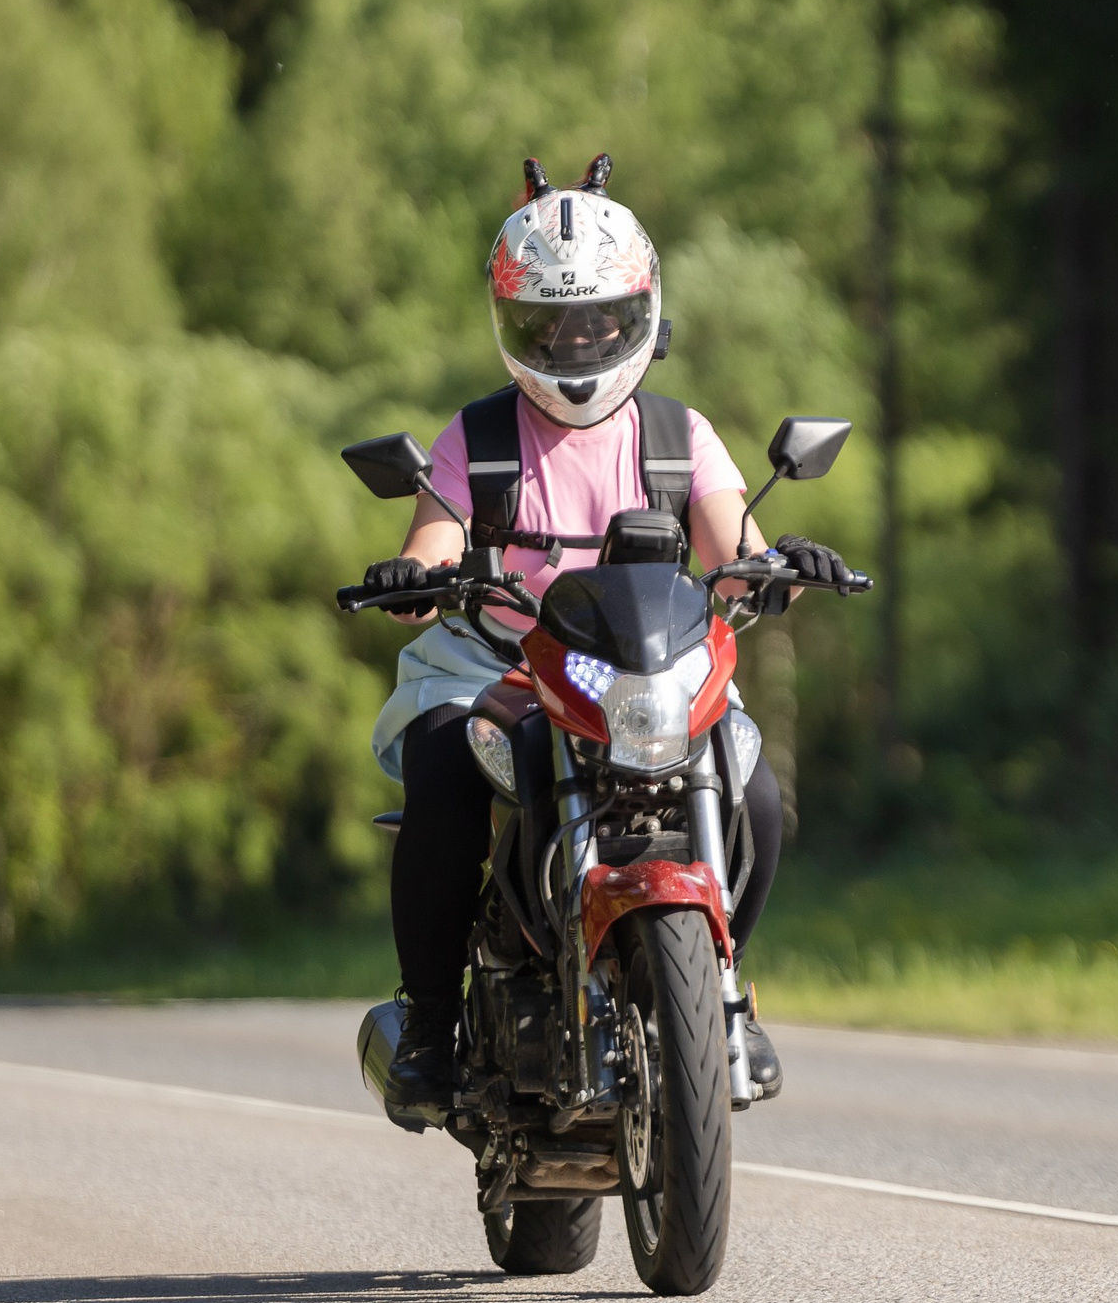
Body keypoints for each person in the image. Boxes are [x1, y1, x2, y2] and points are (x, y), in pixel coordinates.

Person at [356, 154, 851, 1110]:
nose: (578, 342)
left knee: (756, 792)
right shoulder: (479, 438)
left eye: (599, 321)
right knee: (441, 760)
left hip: (651, 669)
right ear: (515, 326)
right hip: (504, 664)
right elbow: (433, 536)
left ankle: (726, 997)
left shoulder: (679, 434)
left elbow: (736, 550)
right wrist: (415, 575)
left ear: (641, 316)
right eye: (553, 323)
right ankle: (428, 1018)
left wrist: (788, 563)